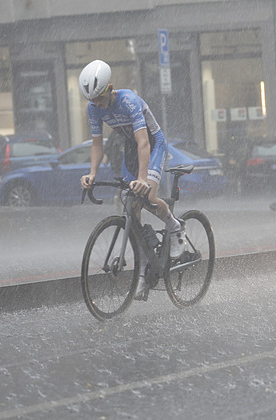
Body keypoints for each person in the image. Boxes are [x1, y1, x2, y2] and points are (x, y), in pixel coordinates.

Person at [78, 59, 184, 301]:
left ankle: (175, 227)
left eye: (100, 99)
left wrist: (143, 179)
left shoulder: (129, 101)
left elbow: (144, 142)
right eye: (92, 101)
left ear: (110, 88)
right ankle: (144, 272)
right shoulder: (93, 109)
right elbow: (97, 144)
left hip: (153, 144)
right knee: (130, 206)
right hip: (130, 147)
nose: (97, 104)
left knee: (147, 196)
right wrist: (92, 173)